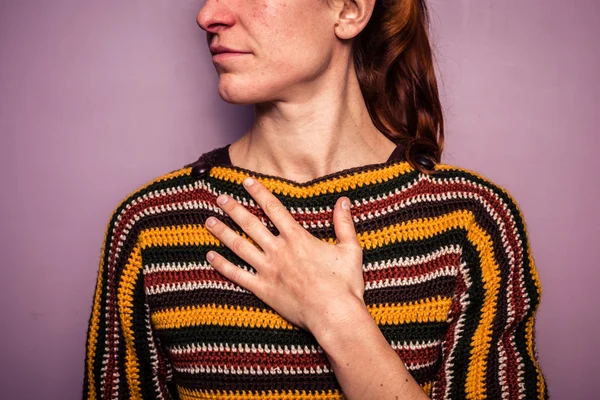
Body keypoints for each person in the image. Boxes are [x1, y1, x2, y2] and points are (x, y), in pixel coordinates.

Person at [82, 0, 548, 399]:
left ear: (349, 10)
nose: (208, 14)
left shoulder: (472, 220)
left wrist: (333, 314)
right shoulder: (150, 226)